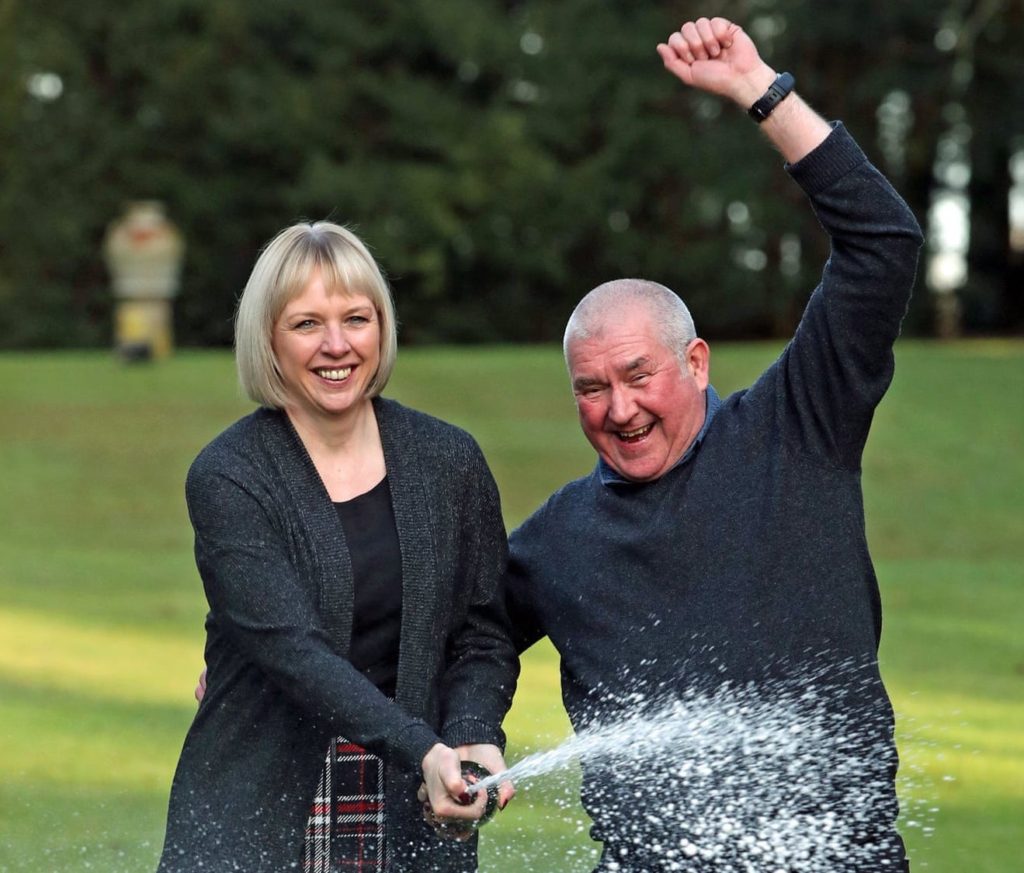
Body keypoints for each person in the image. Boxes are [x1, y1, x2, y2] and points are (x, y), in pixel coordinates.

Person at [504, 16, 923, 873]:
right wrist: (251, 663)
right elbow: (450, 632)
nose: (618, 408)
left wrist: (760, 91)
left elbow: (884, 245)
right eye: (591, 388)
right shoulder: (557, 541)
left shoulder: (797, 427)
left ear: (695, 362)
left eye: (637, 375)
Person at [158, 222, 517, 873]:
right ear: (268, 337)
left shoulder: (449, 460)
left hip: (413, 803)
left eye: (356, 317)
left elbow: (482, 631)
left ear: (381, 327)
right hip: (257, 812)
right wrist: (426, 749)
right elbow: (293, 652)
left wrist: (472, 734)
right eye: (305, 324)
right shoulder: (230, 476)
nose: (336, 345)